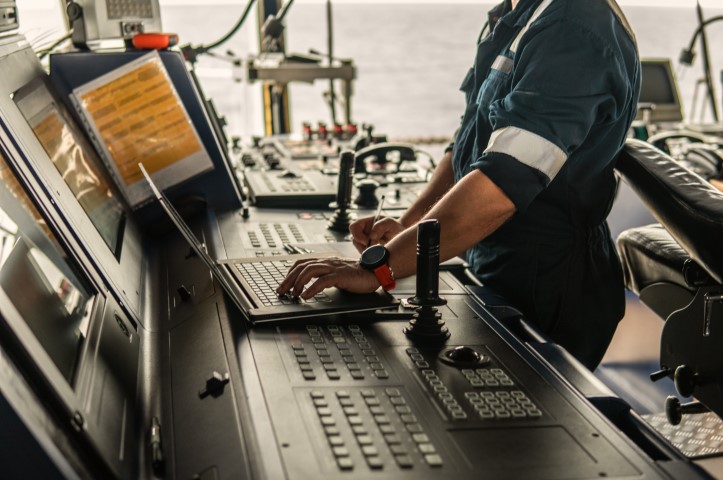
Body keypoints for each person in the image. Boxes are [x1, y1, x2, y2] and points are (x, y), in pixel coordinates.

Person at [277, 0, 641, 370]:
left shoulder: (573, 29)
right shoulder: (518, 15)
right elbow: (469, 142)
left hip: (547, 284)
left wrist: (378, 270)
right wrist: (410, 226)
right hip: (489, 259)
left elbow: (502, 182)